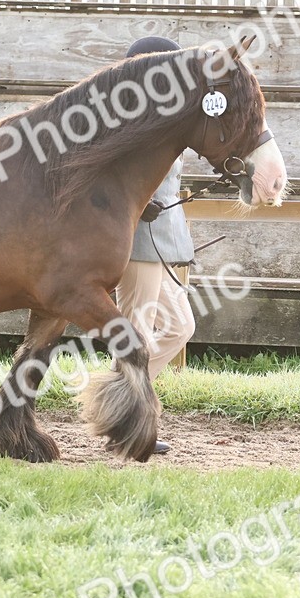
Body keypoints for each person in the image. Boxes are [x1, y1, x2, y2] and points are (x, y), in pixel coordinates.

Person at [115, 36, 197, 456]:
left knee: (182, 326)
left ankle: (119, 397)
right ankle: (128, 420)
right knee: (139, 335)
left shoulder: (161, 115)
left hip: (162, 240)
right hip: (137, 241)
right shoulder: (127, 118)